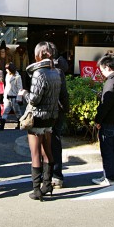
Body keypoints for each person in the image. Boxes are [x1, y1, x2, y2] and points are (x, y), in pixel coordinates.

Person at [18, 41, 61, 201]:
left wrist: (24, 93)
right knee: (47, 152)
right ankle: (47, 184)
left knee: (35, 154)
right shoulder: (56, 72)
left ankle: (36, 189)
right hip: (50, 117)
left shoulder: (39, 73)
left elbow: (35, 100)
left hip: (37, 118)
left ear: (38, 54)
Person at [92, 54, 114, 187]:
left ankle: (109, 177)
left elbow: (105, 104)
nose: (101, 72)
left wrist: (98, 119)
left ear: (107, 67)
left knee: (107, 150)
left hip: (108, 121)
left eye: (102, 69)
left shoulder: (110, 82)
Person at [51, 54, 69, 189]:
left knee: (50, 144)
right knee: (55, 143)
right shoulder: (60, 70)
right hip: (59, 112)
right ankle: (55, 176)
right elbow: (64, 95)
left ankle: (52, 175)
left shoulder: (52, 71)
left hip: (50, 113)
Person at [0, 62, 23, 130]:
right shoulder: (7, 75)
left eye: (7, 69)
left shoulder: (18, 77)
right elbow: (6, 87)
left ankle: (20, 125)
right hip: (8, 97)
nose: (6, 70)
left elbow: (20, 88)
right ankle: (2, 126)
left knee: (18, 112)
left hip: (14, 97)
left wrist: (19, 98)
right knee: (5, 111)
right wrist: (4, 97)